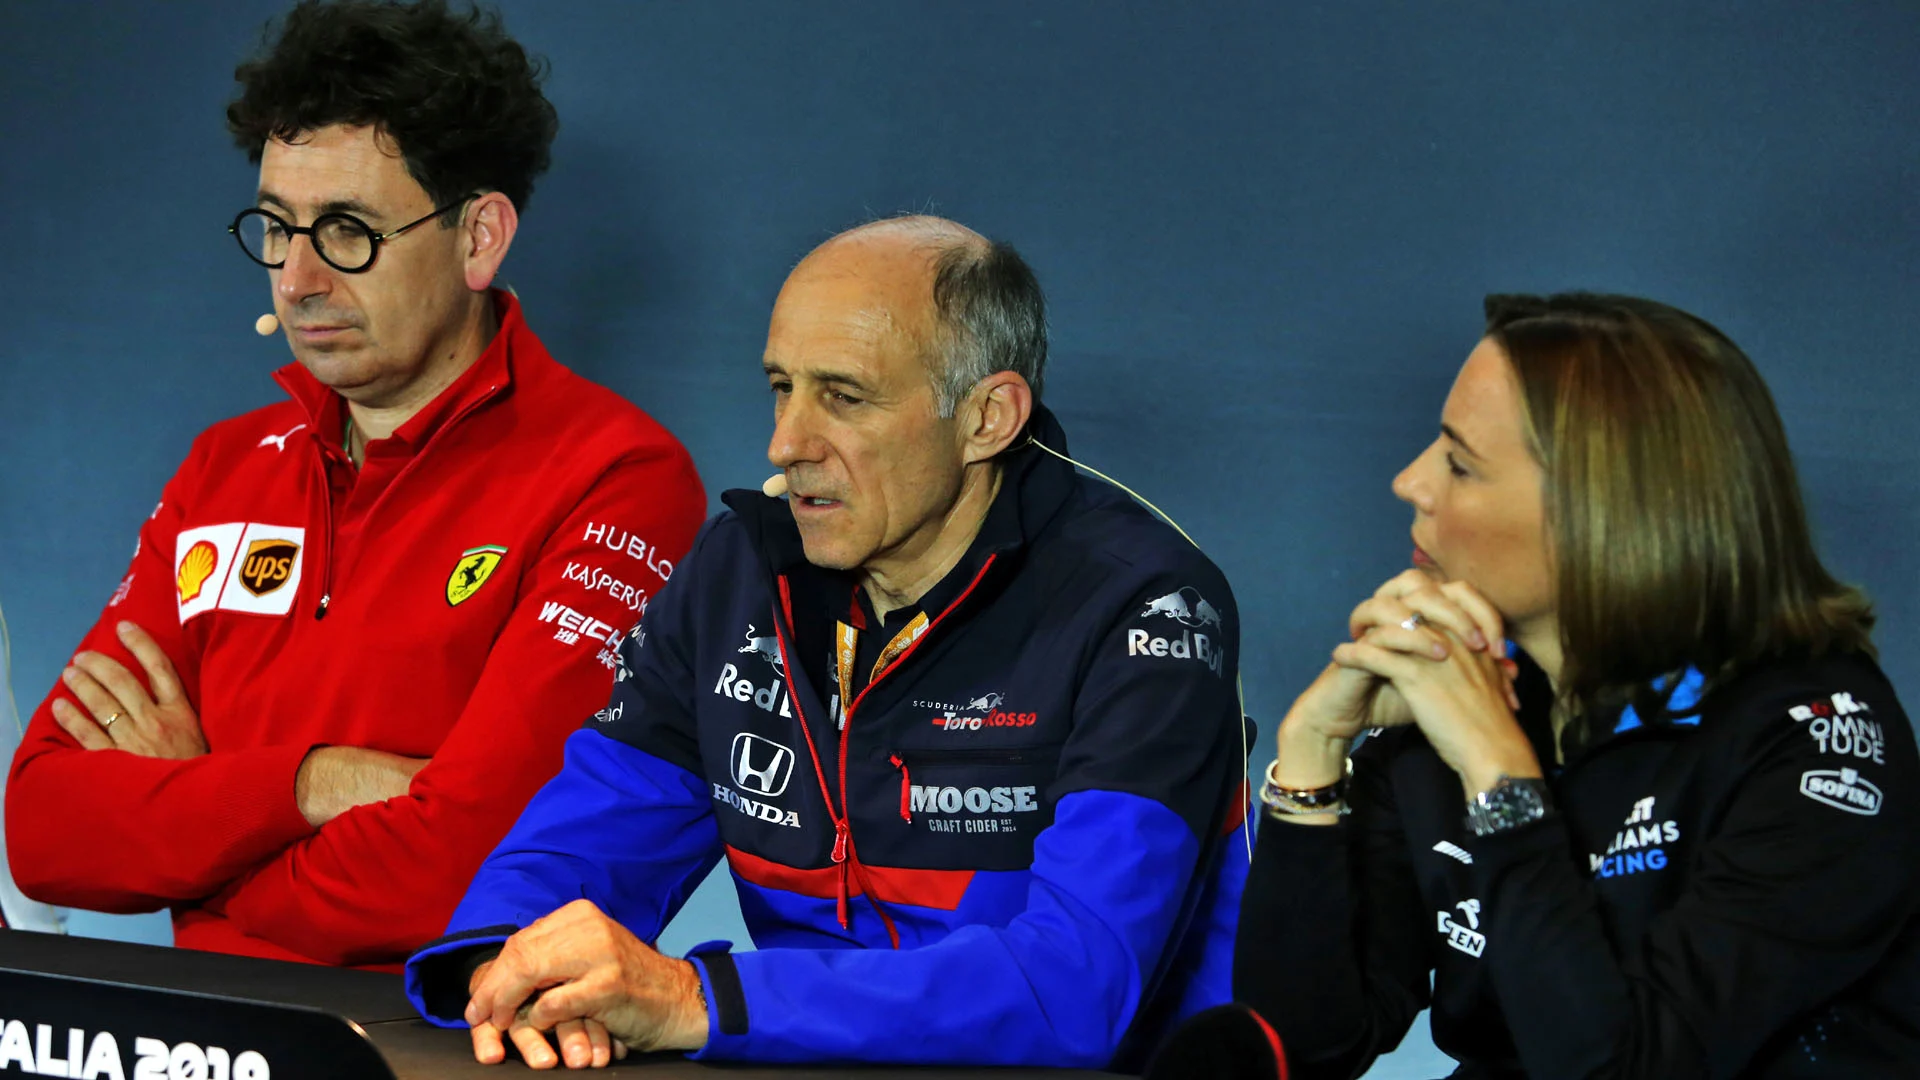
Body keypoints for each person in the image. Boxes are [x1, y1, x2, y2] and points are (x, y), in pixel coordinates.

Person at [404, 216, 1250, 1071]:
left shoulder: (1146, 605)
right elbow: (590, 830)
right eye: (782, 387)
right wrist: (511, 965)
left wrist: (697, 1001)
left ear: (988, 417)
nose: (786, 443)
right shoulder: (740, 570)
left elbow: (1073, 990)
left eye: (842, 397)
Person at [4, 0, 706, 968]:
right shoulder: (223, 467)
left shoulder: (618, 478)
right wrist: (310, 784)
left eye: (345, 231)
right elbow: (43, 829)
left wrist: (196, 819)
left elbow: (467, 872)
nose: (295, 279)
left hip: (437, 1051)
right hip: (201, 1043)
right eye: (276, 227)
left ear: (479, 238)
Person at [1232, 293, 1920, 1078]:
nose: (1409, 482)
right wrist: (1311, 761)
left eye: (1459, 463)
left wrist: (1500, 777)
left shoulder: (1812, 737)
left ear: (1604, 516)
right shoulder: (1462, 698)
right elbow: (1304, 1048)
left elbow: (1623, 1068)